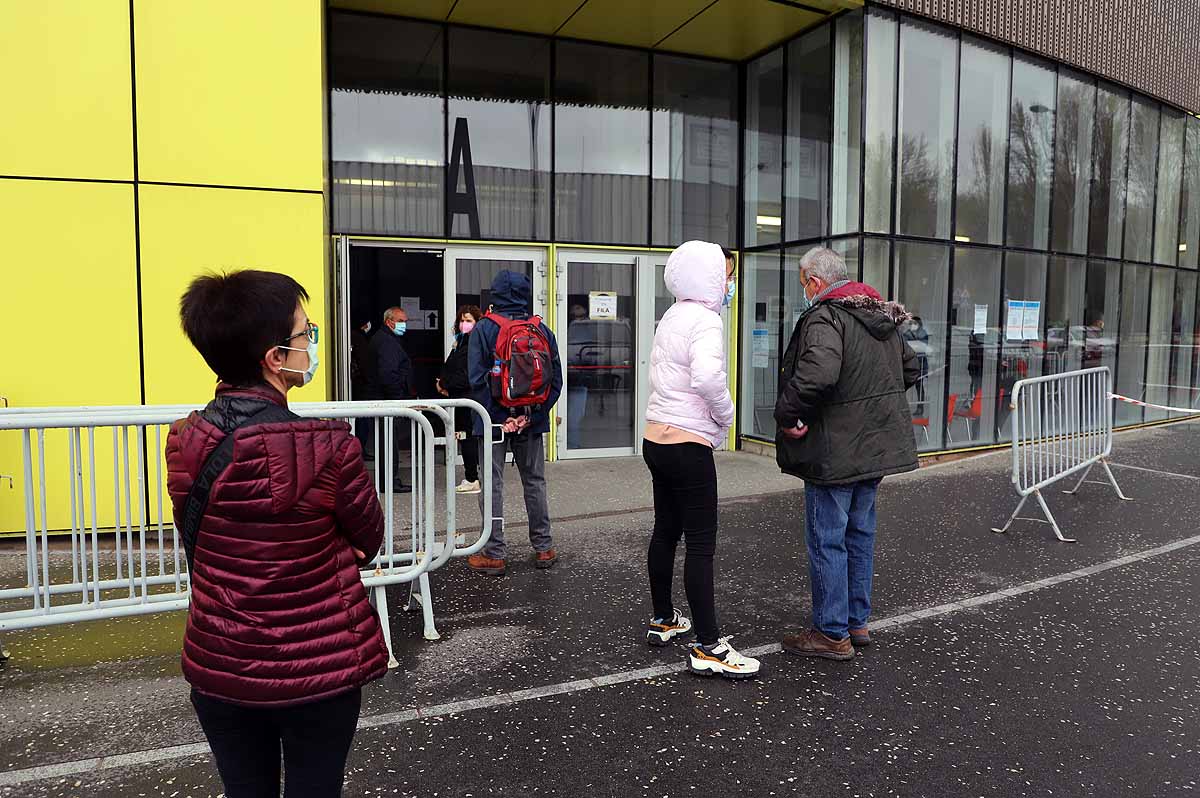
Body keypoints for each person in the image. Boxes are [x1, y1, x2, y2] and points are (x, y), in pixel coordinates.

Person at [166, 269, 387, 798]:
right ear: (275, 358)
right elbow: (367, 541)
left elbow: (206, 534)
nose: (310, 344)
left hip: (221, 663)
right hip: (320, 667)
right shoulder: (330, 446)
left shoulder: (186, 439)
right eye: (305, 334)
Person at [774, 247, 920, 661]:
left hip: (835, 450)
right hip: (874, 447)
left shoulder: (826, 316)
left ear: (815, 283)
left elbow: (818, 374)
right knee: (859, 535)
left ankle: (831, 632)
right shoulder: (879, 318)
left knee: (828, 540)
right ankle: (856, 621)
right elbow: (909, 370)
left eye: (803, 281)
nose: (803, 289)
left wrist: (788, 414)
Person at [642, 241, 761, 680]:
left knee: (665, 532)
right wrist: (727, 417)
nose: (730, 283)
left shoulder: (671, 315)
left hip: (656, 438)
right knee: (702, 544)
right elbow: (708, 378)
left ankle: (664, 619)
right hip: (689, 444)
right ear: (711, 278)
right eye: (726, 275)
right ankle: (709, 646)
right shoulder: (707, 320)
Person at [466, 270, 563, 576]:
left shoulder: (483, 329)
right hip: (531, 421)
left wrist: (501, 418)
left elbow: (476, 380)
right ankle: (544, 547)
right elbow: (555, 380)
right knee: (534, 482)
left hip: (493, 423)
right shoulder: (541, 330)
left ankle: (494, 553)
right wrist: (529, 415)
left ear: (494, 296)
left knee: (492, 484)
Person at [437, 305, 484, 494]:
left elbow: (466, 375)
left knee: (468, 438)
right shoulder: (460, 341)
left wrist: (445, 384)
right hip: (459, 397)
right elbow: (449, 366)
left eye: (469, 320)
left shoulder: (474, 344)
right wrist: (442, 382)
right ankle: (473, 476)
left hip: (468, 398)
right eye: (462, 320)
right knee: (465, 438)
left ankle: (473, 478)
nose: (464, 324)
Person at [366, 306, 412, 493]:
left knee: (388, 441)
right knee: (388, 442)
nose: (404, 325)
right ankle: (388, 481)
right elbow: (388, 374)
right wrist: (398, 399)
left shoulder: (386, 339)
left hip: (384, 398)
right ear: (389, 321)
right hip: (387, 400)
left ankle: (390, 479)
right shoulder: (386, 342)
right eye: (401, 321)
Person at [350, 317, 373, 451]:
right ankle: (360, 449)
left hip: (356, 384)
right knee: (362, 419)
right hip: (360, 386)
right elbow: (364, 363)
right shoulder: (359, 338)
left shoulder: (352, 336)